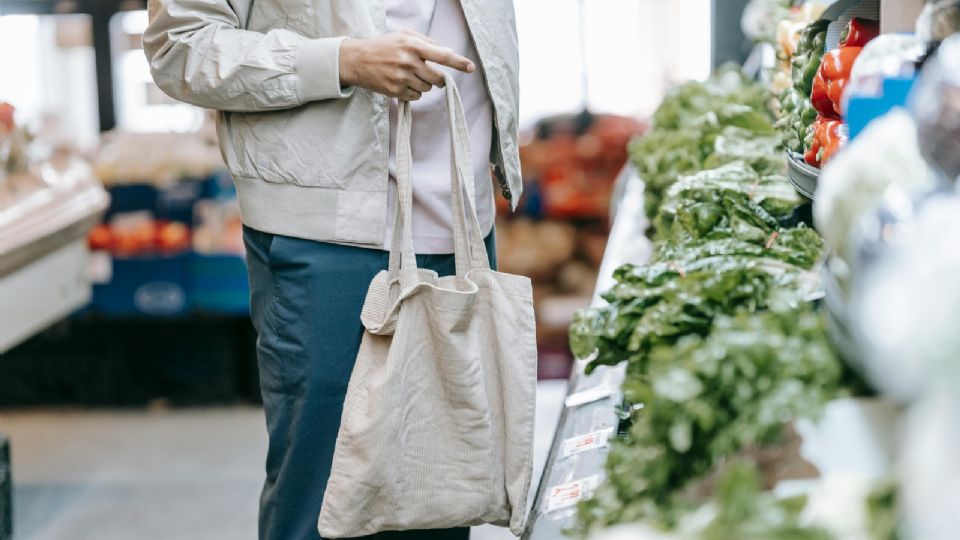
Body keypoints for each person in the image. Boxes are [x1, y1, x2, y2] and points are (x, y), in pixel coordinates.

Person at [143, 1, 520, 539]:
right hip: (327, 232)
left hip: (461, 223)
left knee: (441, 498)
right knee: (321, 501)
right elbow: (178, 45)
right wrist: (339, 61)